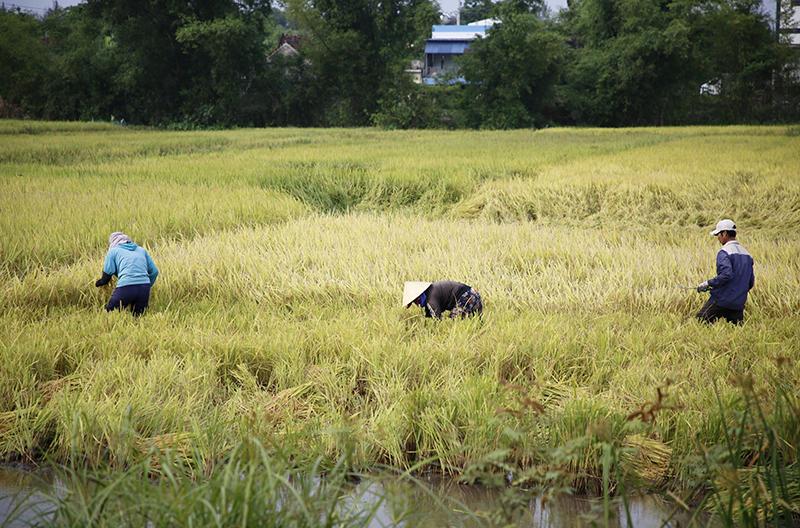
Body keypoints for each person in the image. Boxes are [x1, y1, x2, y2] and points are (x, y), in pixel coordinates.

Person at [696, 219, 754, 325]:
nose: (718, 238)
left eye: (718, 234)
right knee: (736, 332)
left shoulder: (724, 252)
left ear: (725, 233)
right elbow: (750, 282)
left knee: (700, 321)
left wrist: (707, 284)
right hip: (738, 303)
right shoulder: (748, 255)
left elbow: (726, 274)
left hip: (722, 300)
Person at [95, 232, 159, 316]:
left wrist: (100, 283)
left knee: (109, 314)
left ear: (113, 242)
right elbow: (154, 271)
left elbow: (108, 273)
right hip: (144, 287)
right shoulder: (141, 250)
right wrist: (147, 285)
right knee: (138, 318)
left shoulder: (113, 251)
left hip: (126, 287)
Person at [403, 280, 483, 319]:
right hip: (473, 293)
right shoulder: (430, 290)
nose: (417, 305)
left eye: (415, 301)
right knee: (475, 321)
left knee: (455, 321)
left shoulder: (431, 299)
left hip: (467, 296)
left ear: (418, 296)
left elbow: (437, 319)